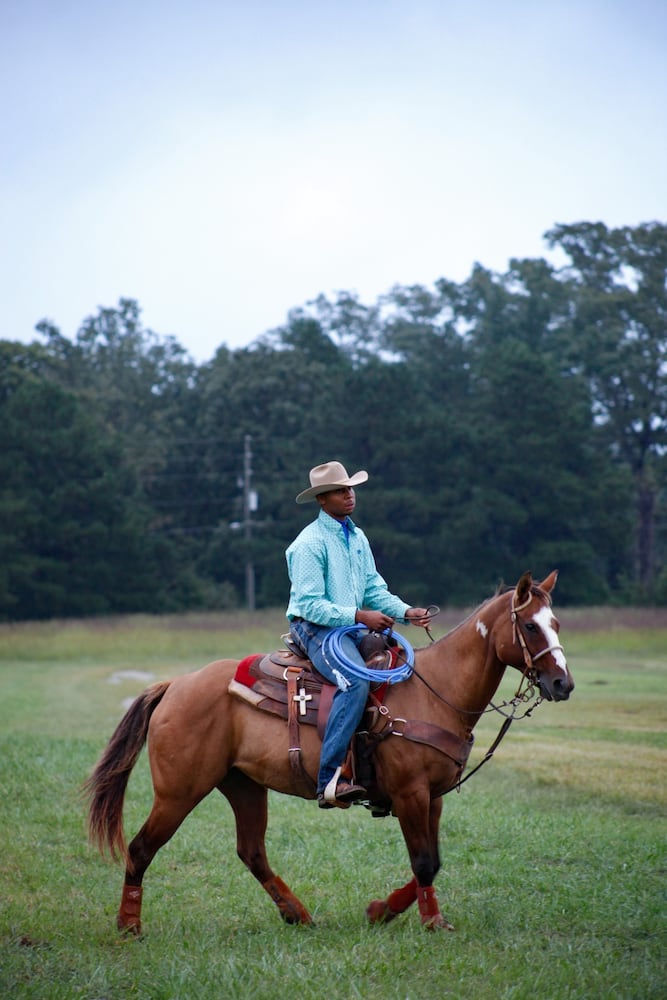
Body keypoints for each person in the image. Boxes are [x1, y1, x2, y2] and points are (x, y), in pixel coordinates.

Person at [286, 461, 431, 808]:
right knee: (355, 682)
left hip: (351, 627)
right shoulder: (309, 543)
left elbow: (373, 589)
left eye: (350, 488)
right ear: (322, 500)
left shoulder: (357, 537)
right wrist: (359, 615)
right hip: (315, 628)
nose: (349, 495)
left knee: (396, 671)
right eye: (340, 490)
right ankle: (330, 778)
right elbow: (310, 604)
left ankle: (379, 774)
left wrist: (405, 611)